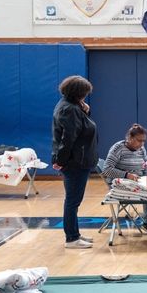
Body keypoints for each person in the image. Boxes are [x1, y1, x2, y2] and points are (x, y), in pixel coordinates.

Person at [52, 75, 98, 249]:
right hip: (75, 162)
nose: (86, 96)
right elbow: (68, 138)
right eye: (84, 93)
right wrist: (61, 161)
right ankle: (71, 238)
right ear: (77, 93)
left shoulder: (72, 106)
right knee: (72, 201)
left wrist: (86, 111)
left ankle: (75, 233)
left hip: (79, 160)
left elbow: (82, 127)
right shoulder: (69, 109)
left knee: (74, 200)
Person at [101, 123, 147, 234]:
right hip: (120, 183)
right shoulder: (118, 148)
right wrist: (127, 175)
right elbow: (106, 170)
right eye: (139, 140)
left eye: (143, 141)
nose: (142, 144)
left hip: (137, 181)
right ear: (130, 138)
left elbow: (146, 166)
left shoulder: (141, 149)